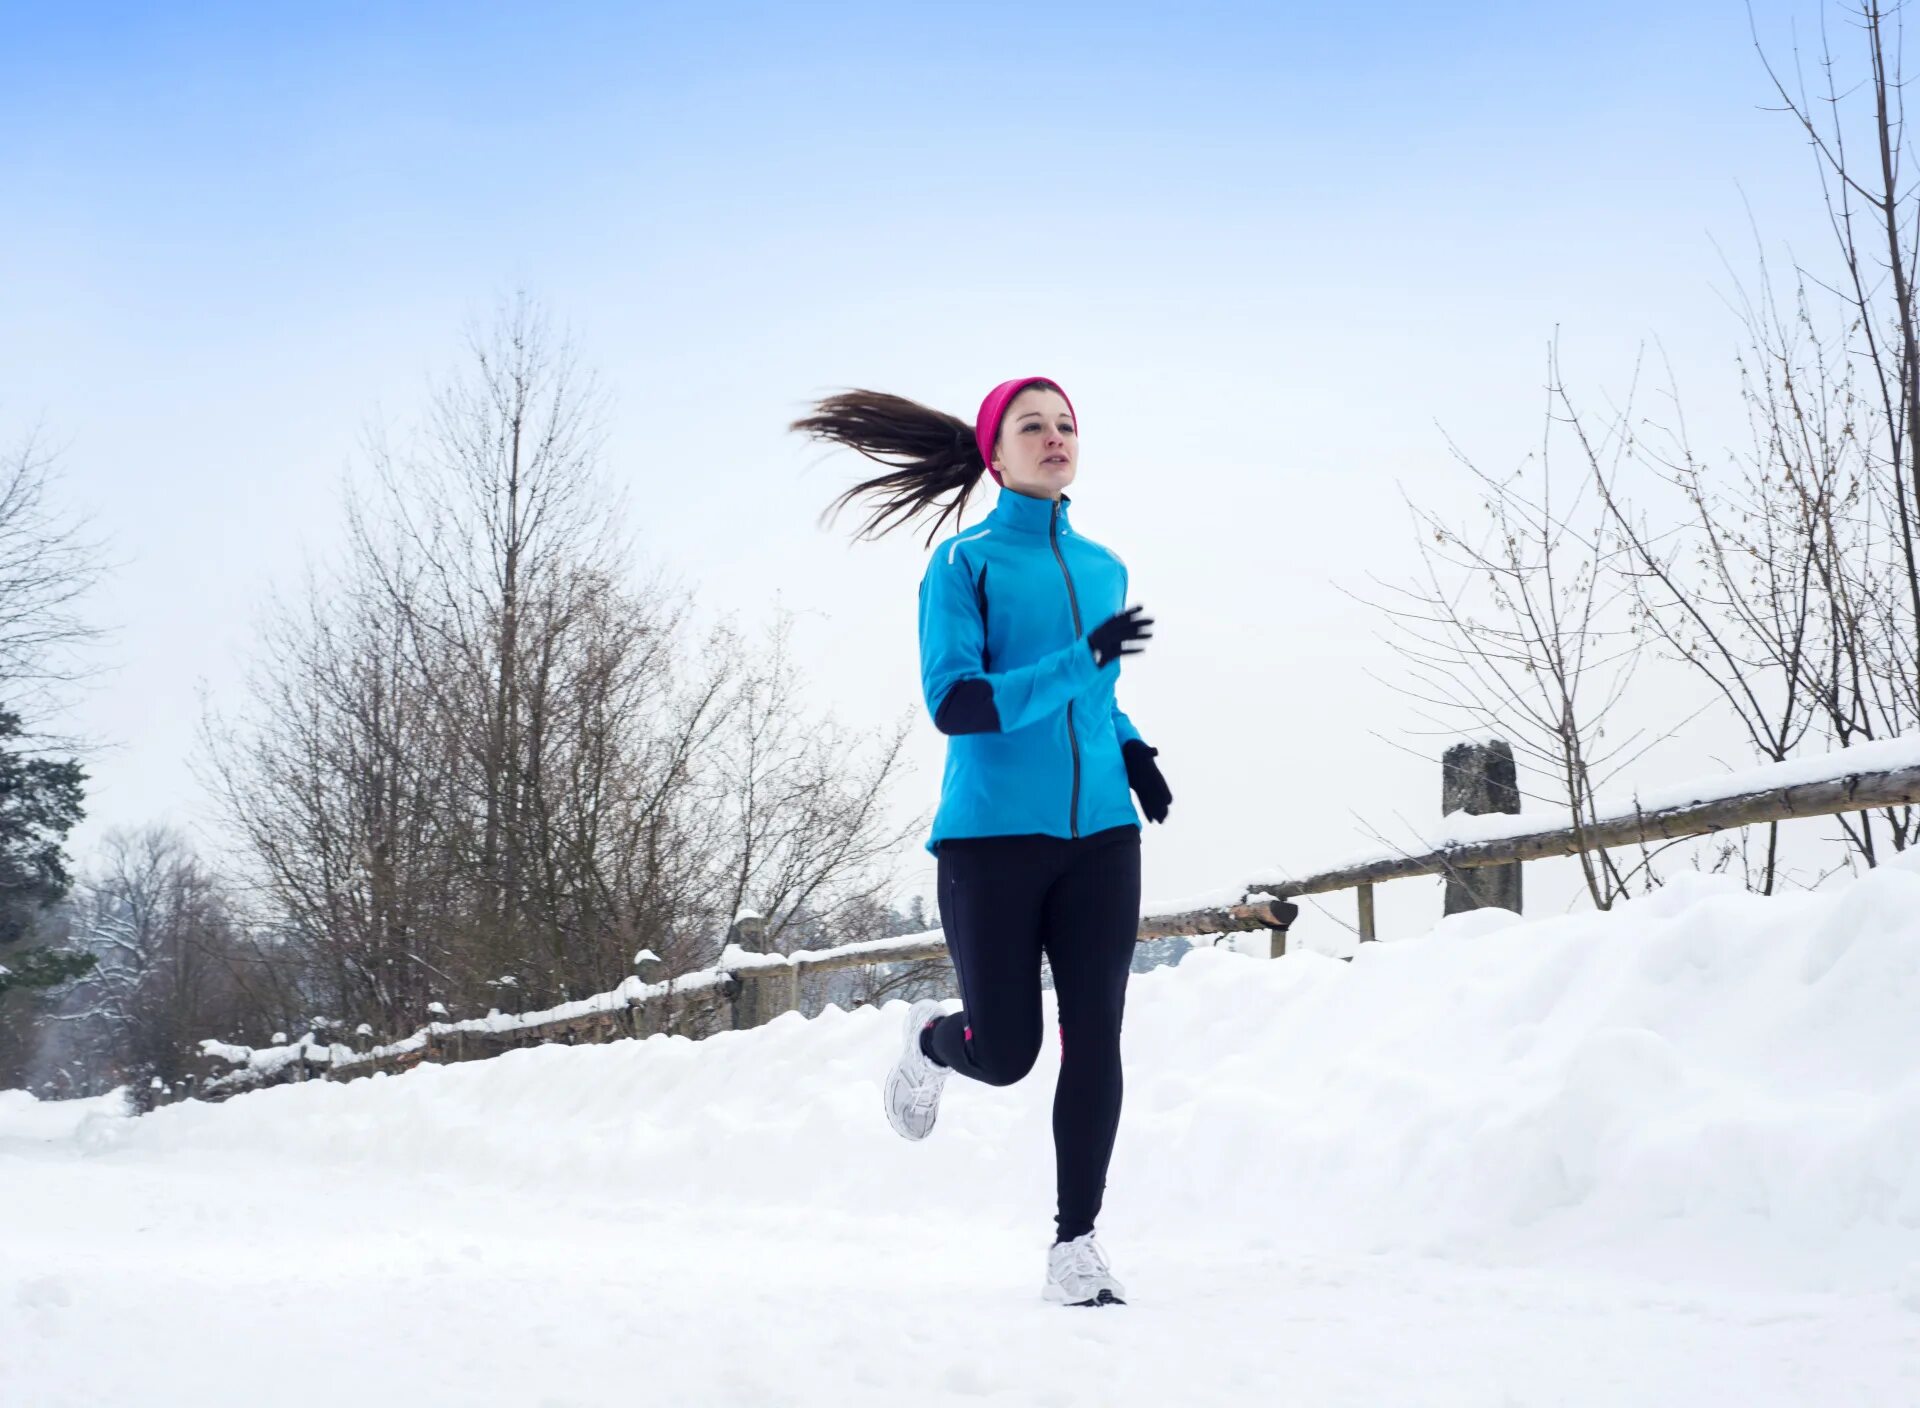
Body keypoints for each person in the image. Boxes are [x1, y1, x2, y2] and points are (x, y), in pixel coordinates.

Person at [792, 376, 1172, 1308]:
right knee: (1006, 1053)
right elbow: (958, 704)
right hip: (993, 841)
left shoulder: (1104, 566)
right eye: (1031, 426)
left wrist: (1133, 751)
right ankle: (930, 1040)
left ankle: (1075, 1246)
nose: (1054, 438)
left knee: (1096, 1040)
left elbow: (1096, 696)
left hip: (1101, 842)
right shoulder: (961, 566)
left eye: (1067, 425)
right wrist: (1081, 657)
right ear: (993, 454)